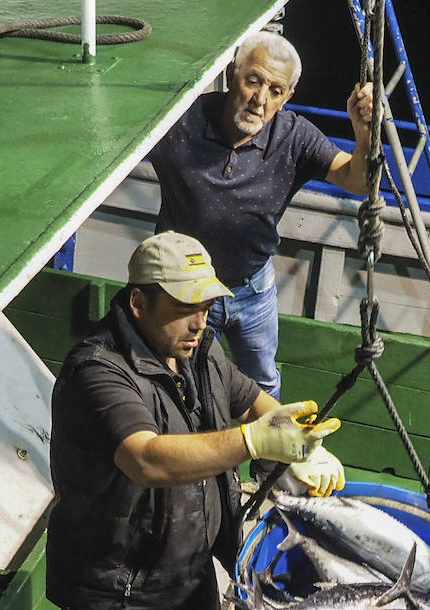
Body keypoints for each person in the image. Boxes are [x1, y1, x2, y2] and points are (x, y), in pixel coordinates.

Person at [46, 231, 345, 610]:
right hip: (119, 585)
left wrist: (293, 436)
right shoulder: (98, 371)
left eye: (206, 305)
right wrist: (256, 442)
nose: (199, 321)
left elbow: (247, 395)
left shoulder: (197, 348)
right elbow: (147, 458)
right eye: (184, 307)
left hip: (187, 565)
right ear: (139, 302)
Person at [149, 30, 375, 399]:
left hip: (253, 290)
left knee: (264, 386)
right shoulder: (181, 121)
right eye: (252, 81)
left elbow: (357, 180)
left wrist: (363, 131)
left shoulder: (295, 137)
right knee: (184, 388)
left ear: (287, 97)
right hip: (183, 293)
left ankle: (269, 458)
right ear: (231, 74)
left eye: (275, 90)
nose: (260, 99)